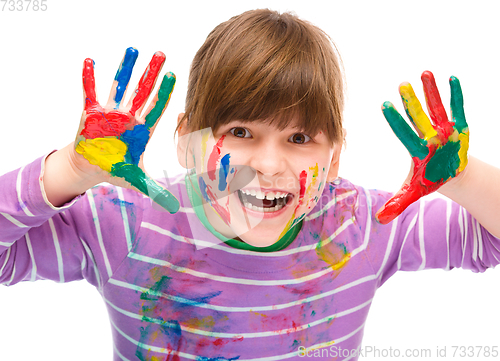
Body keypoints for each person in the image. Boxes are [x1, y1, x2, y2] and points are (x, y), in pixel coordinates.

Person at [1, 8, 499, 361]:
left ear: (335, 155)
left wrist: (460, 177)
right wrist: (71, 170)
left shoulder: (361, 225)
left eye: (300, 137)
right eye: (240, 132)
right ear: (186, 141)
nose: (268, 163)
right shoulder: (125, 223)